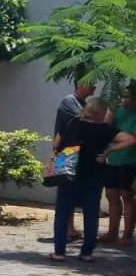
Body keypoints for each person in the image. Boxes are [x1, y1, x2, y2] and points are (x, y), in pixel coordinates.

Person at [50, 97, 136, 262]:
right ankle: (86, 253)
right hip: (94, 176)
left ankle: (59, 252)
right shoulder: (106, 129)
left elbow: (58, 141)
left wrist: (61, 152)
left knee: (62, 213)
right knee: (90, 215)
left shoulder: (73, 123)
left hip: (69, 173)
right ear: (102, 113)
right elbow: (131, 139)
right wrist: (109, 152)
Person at [54, 81, 97, 241]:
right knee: (65, 192)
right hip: (67, 153)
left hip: (77, 154)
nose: (95, 86)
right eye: (91, 83)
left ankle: (69, 227)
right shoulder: (69, 101)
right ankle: (65, 229)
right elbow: (83, 120)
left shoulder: (83, 103)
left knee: (71, 191)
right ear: (79, 84)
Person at [103, 85, 136, 246]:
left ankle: (128, 234)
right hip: (113, 160)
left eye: (128, 97)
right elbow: (105, 129)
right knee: (111, 194)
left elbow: (132, 139)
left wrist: (118, 139)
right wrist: (111, 110)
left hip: (130, 161)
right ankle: (112, 232)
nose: (125, 100)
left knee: (127, 195)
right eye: (123, 96)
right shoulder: (119, 111)